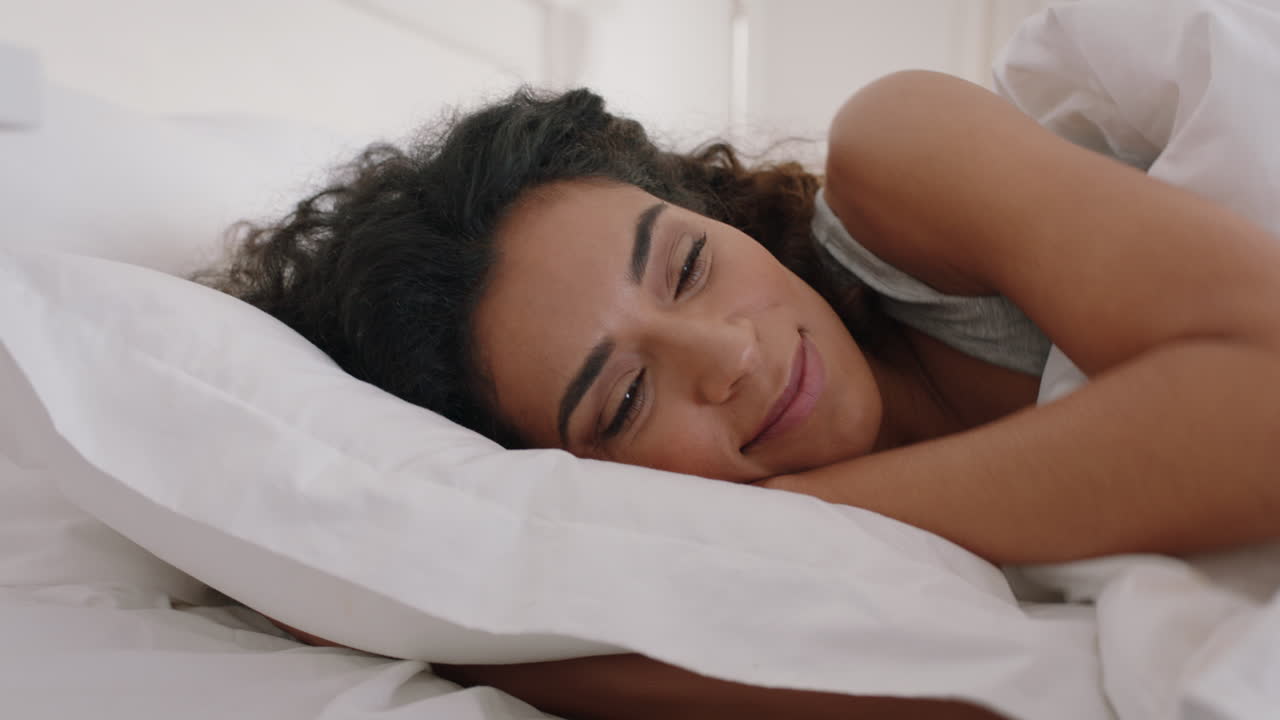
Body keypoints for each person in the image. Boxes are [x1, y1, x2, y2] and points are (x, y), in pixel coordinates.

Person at [204, 71, 1280, 719]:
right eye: (621, 401)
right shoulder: (815, 588)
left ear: (707, 208)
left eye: (684, 264)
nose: (721, 353)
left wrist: (781, 509)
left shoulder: (898, 154)